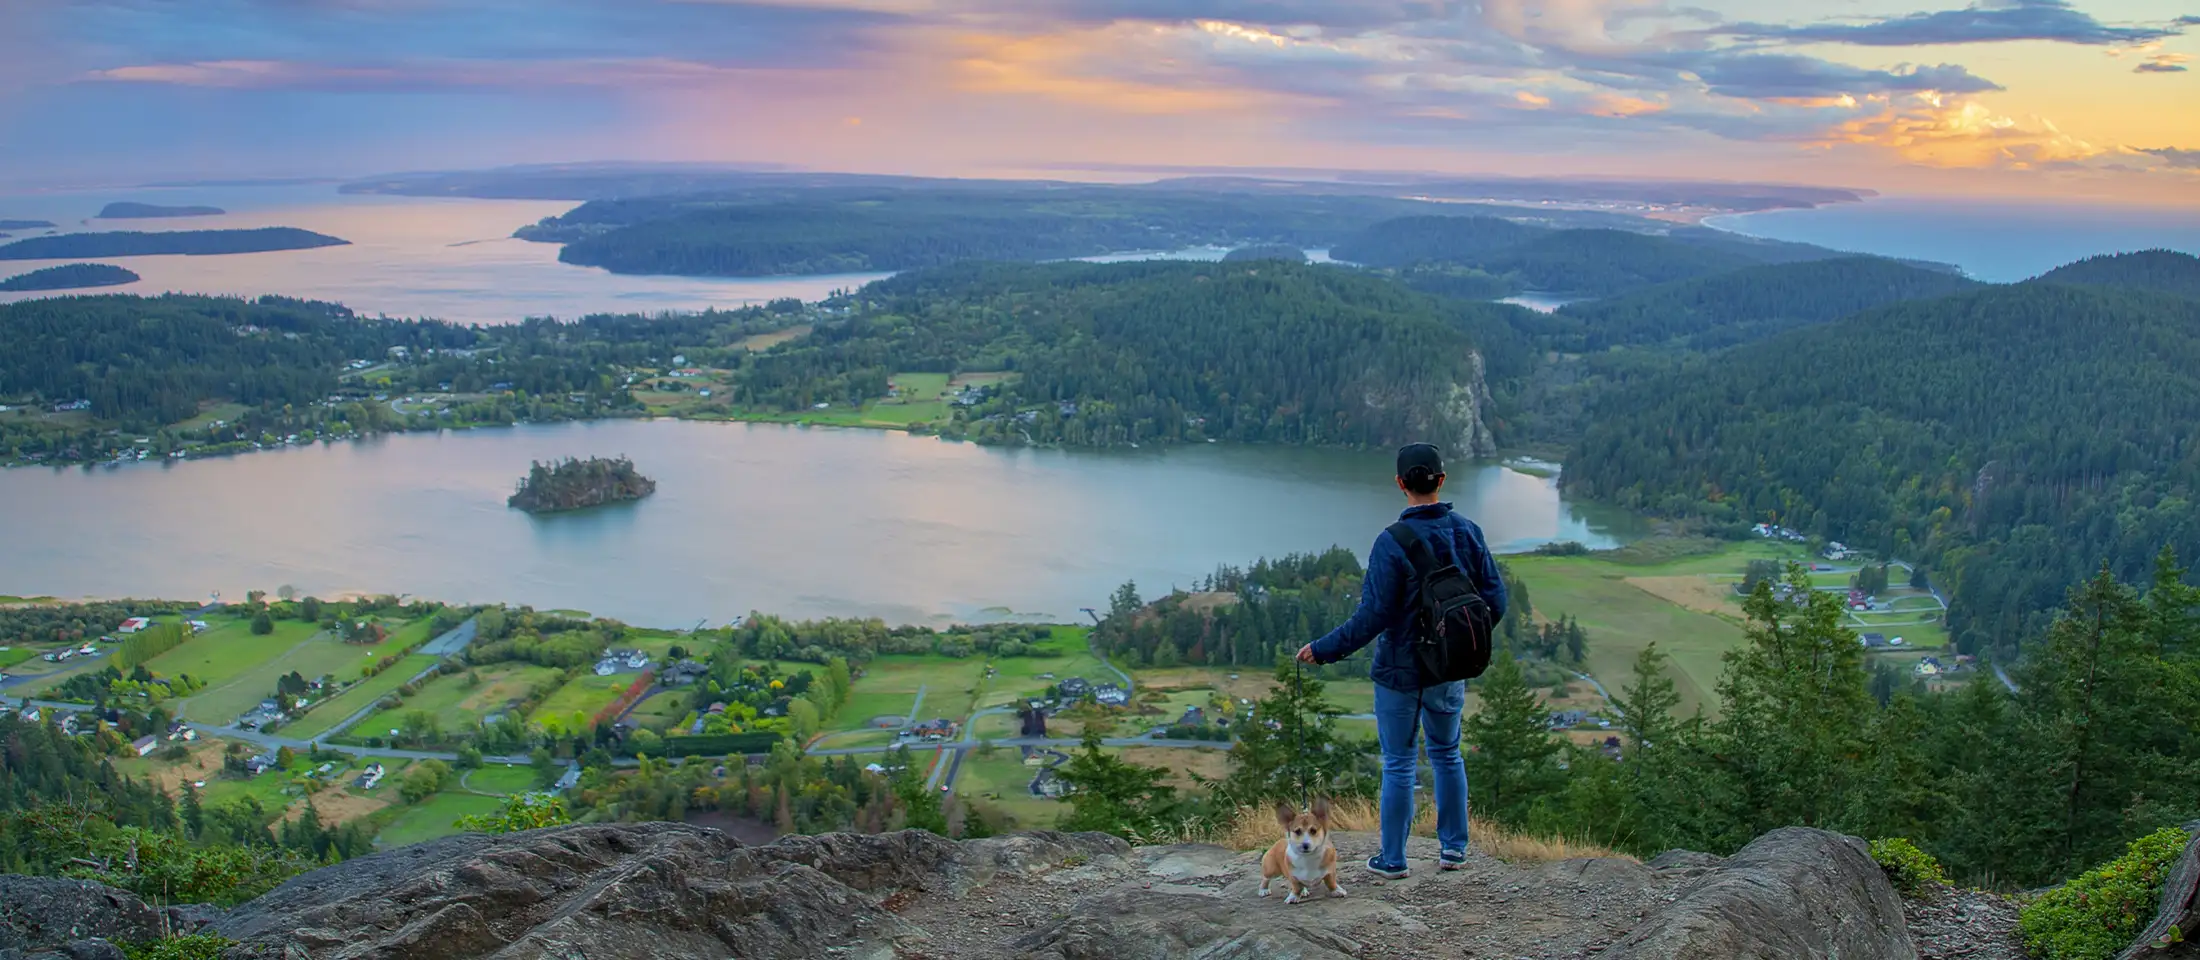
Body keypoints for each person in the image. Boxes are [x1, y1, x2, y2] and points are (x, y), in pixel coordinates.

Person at [1297, 442, 1506, 879]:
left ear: (1399, 484)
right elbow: (1494, 602)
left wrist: (1323, 649)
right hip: (1449, 670)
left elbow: (1374, 616)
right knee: (1448, 754)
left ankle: (1393, 859)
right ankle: (1454, 849)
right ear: (1441, 481)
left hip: (1399, 670)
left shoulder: (1391, 542)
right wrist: (1460, 645)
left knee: (1398, 761)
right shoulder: (1468, 531)